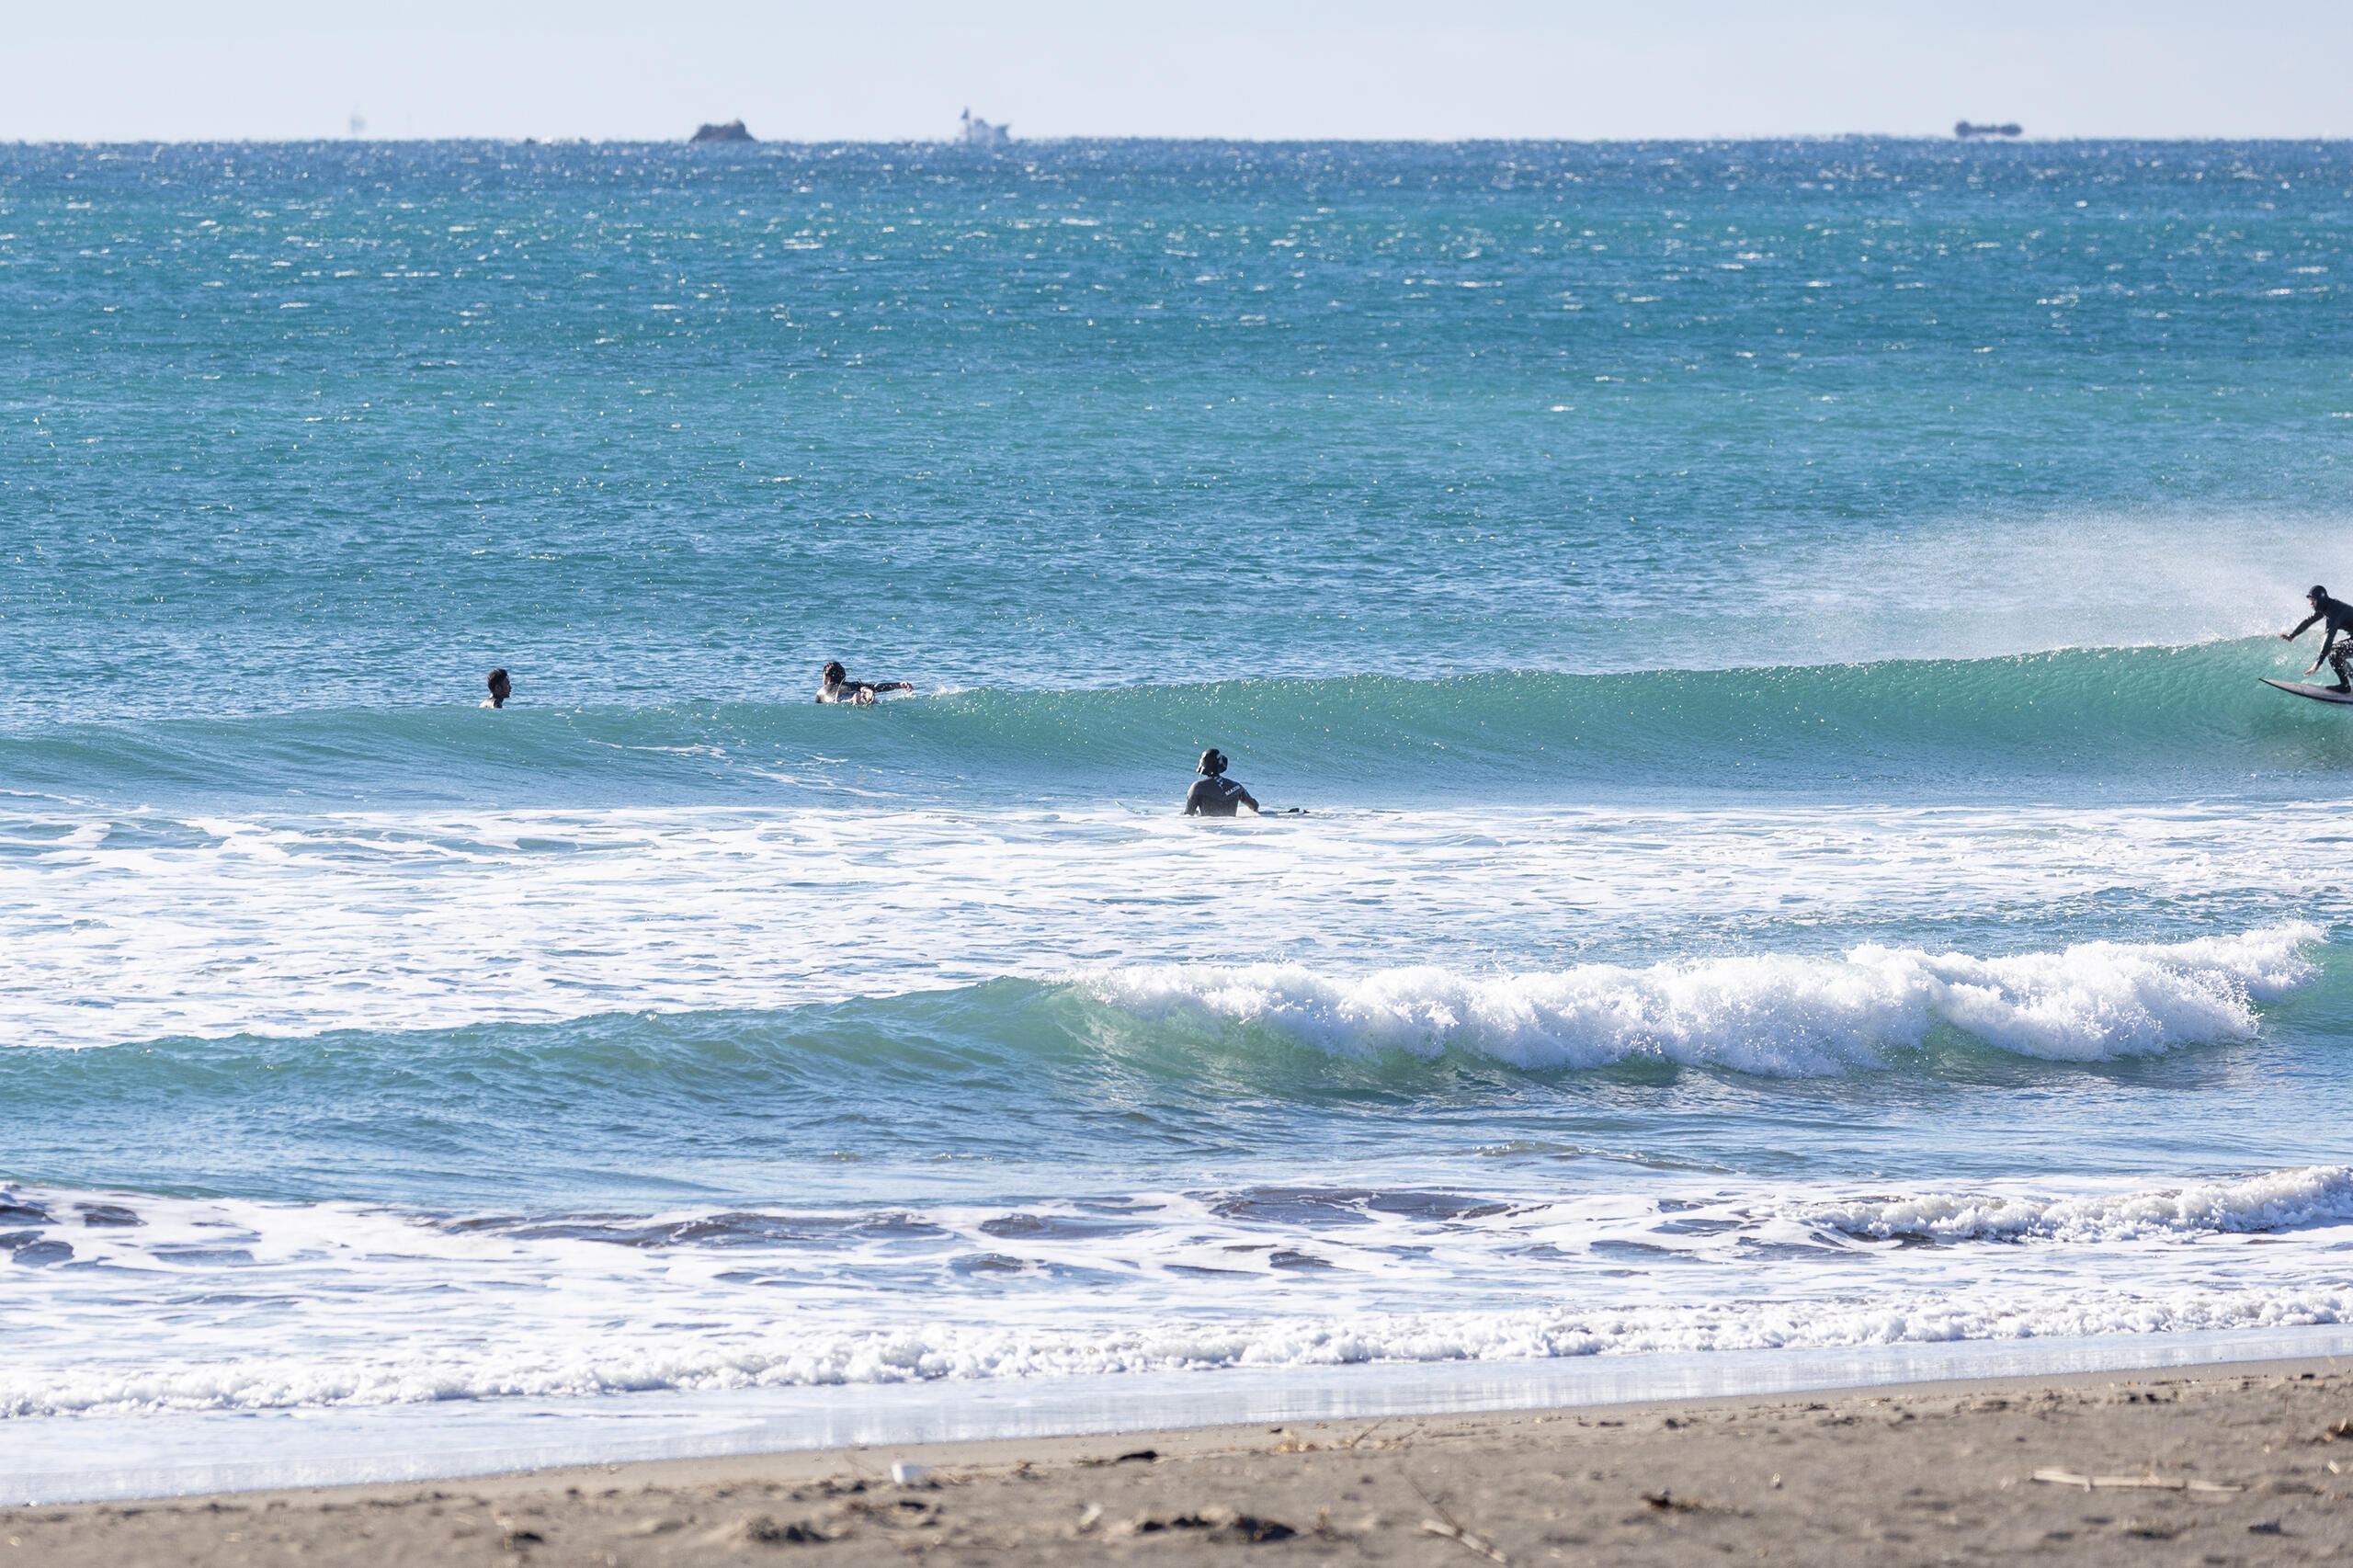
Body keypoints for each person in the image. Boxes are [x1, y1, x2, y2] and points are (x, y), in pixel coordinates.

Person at [2280, 585, 2353, 693]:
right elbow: (2309, 620)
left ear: (2320, 600)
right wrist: (2292, 635)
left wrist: (2318, 663)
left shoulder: (2334, 612)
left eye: (2313, 600)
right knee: (2337, 653)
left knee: (2333, 652)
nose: (2311, 603)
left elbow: (2329, 637)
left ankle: (2345, 686)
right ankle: (2347, 683)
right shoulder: (2326, 607)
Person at [1184, 748, 1261, 816]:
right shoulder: (1236, 787)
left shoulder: (1197, 787)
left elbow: (1188, 814)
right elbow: (1255, 806)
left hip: (1208, 829)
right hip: (1233, 828)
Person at [815, 661, 913, 705]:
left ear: (827, 678)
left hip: (834, 700)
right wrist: (899, 685)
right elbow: (876, 687)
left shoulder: (821, 692)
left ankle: (854, 697)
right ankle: (856, 695)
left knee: (844, 699)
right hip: (851, 693)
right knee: (862, 690)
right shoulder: (852, 685)